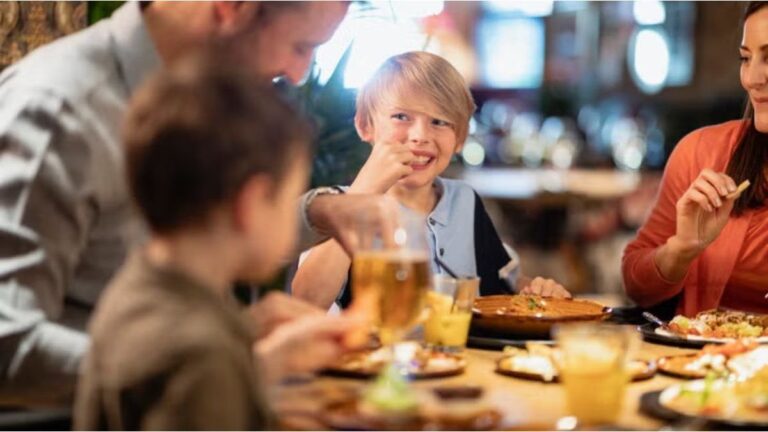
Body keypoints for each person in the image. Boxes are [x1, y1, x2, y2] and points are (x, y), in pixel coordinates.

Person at [0, 1, 396, 405]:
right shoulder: (59, 111)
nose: (297, 75)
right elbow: (6, 342)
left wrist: (320, 211)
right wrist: (218, 366)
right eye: (300, 46)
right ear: (231, 9)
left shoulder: (191, 95)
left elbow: (206, 233)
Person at [74, 56, 365, 430]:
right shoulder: (201, 354)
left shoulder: (142, 285)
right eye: (288, 195)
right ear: (251, 204)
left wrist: (259, 370)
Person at [292, 51, 570, 310]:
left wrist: (536, 290)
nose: (420, 136)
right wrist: (361, 195)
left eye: (439, 122)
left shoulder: (465, 202)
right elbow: (306, 300)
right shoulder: (336, 205)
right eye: (401, 117)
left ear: (459, 138)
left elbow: (502, 285)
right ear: (366, 126)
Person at [622, 2, 768, 316]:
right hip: (706, 362)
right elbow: (636, 286)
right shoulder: (701, 152)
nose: (752, 78)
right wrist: (682, 248)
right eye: (746, 58)